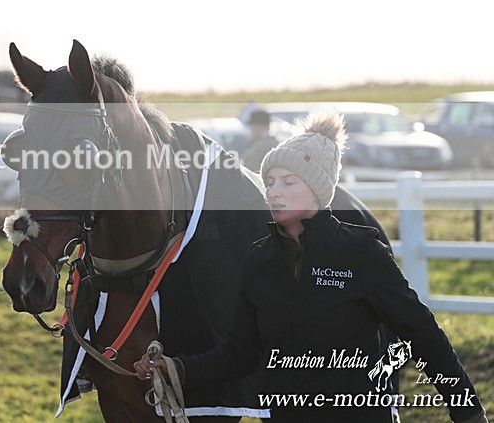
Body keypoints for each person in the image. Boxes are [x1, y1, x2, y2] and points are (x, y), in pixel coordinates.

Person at [135, 110, 488, 423]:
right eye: (270, 182)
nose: (274, 192)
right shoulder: (259, 260)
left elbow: (422, 334)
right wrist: (177, 369)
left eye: (289, 183)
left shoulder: (361, 251)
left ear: (318, 190)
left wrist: (467, 411)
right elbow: (240, 354)